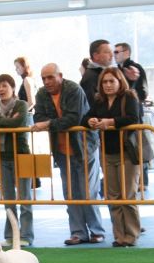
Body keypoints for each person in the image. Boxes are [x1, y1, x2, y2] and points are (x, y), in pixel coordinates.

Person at [33, 63, 105, 245]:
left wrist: (49, 124)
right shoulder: (41, 94)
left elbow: (74, 118)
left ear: (60, 75)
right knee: (70, 193)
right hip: (61, 151)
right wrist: (52, 122)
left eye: (50, 77)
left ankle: (96, 231)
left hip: (84, 147)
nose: (47, 82)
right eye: (43, 78)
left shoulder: (74, 89)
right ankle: (78, 232)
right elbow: (37, 118)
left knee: (88, 191)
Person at [82, 67, 141, 247]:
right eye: (104, 82)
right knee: (113, 196)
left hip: (127, 153)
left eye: (111, 81)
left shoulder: (129, 97)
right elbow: (84, 119)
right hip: (107, 153)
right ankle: (119, 235)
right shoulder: (99, 101)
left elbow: (134, 118)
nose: (108, 85)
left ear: (119, 81)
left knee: (128, 195)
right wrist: (90, 121)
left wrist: (110, 122)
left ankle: (131, 235)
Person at [0, 73, 33, 246]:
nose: (1, 89)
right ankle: (11, 236)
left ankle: (26, 235)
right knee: (8, 199)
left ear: (12, 87)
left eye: (4, 85)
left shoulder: (21, 104)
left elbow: (18, 123)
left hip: (21, 154)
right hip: (2, 157)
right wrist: (3, 120)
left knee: (25, 198)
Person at [80, 39, 114, 106]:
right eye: (107, 52)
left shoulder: (104, 73)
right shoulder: (91, 76)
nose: (112, 55)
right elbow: (92, 104)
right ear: (96, 56)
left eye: (111, 52)